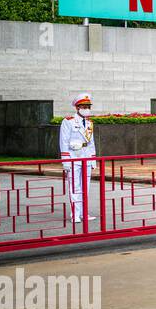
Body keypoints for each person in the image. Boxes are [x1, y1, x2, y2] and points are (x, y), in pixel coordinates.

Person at [59, 93, 97, 228]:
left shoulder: (89, 123)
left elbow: (91, 143)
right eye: (83, 106)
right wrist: (66, 161)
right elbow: (63, 142)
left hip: (86, 158)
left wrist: (93, 160)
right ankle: (75, 214)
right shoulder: (68, 121)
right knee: (75, 187)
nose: (86, 108)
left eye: (88, 106)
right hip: (73, 158)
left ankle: (83, 213)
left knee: (85, 187)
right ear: (77, 107)